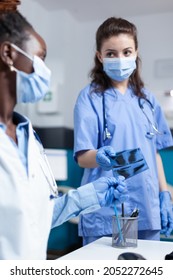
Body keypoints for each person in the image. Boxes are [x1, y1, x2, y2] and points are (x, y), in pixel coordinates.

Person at [0, 9, 128, 260]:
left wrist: (89, 195)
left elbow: (36, 216)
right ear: (9, 54)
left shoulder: (28, 138)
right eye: (40, 58)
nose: (45, 71)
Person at [74, 17, 173, 245]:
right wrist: (102, 157)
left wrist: (164, 193)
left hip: (147, 205)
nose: (120, 59)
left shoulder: (147, 100)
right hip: (108, 206)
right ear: (100, 56)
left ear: (136, 53)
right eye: (111, 53)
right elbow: (83, 157)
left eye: (127, 52)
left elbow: (154, 152)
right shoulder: (90, 98)